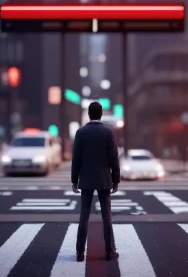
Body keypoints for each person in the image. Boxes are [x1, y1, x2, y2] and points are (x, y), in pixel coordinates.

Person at [71, 102, 120, 262]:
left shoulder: (81, 132)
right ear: (101, 114)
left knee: (84, 215)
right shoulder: (108, 132)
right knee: (106, 216)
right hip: (104, 178)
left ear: (89, 114)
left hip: (85, 178)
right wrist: (116, 179)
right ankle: (109, 252)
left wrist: (74, 180)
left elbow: (76, 158)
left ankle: (79, 252)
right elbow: (114, 158)